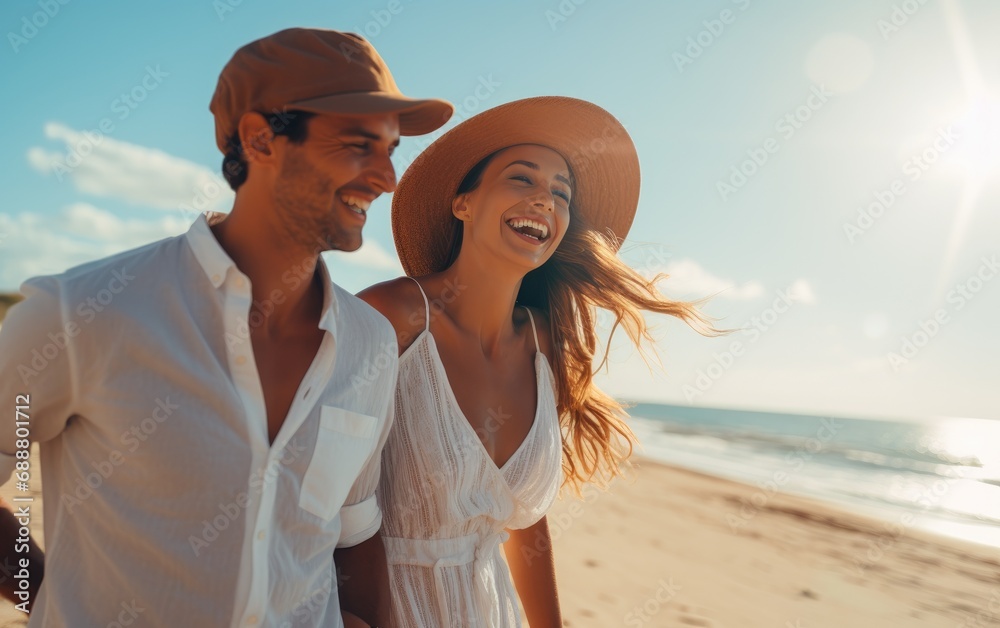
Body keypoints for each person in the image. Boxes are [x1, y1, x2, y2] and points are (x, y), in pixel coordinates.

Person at [0, 28, 452, 627]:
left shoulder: (370, 342)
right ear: (260, 138)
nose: (387, 177)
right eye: (357, 144)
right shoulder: (82, 315)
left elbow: (352, 530)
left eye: (391, 149)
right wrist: (50, 597)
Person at [358, 96, 723, 627]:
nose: (544, 200)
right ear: (463, 202)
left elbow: (527, 526)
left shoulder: (543, 344)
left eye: (560, 192)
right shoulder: (391, 317)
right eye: (522, 179)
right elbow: (326, 496)